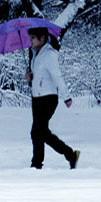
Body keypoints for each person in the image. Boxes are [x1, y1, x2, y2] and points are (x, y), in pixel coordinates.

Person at [24, 26, 80, 170]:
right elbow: (40, 77)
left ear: (42, 38)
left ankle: (37, 164)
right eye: (30, 38)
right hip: (37, 98)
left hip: (48, 98)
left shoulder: (49, 55)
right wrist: (30, 78)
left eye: (33, 38)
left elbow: (56, 76)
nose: (30, 41)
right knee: (41, 132)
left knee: (37, 132)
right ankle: (70, 154)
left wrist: (66, 96)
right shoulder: (36, 54)